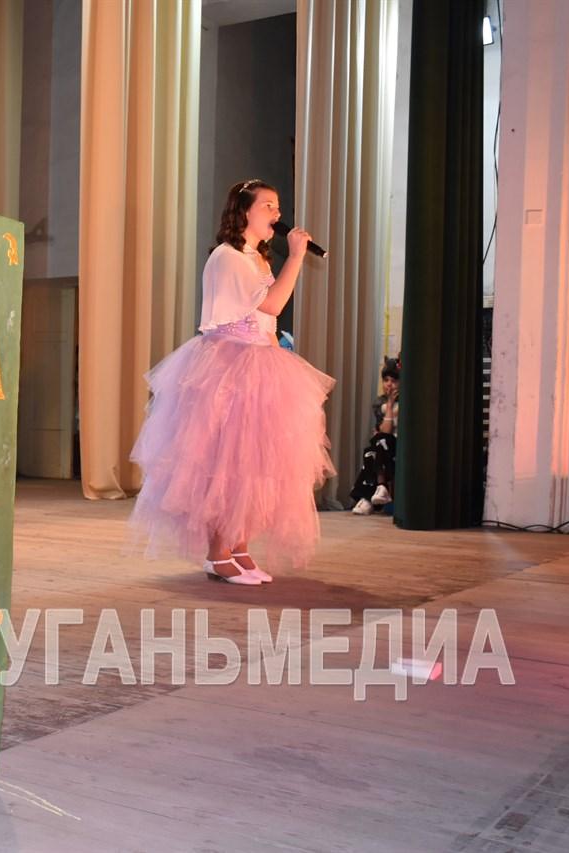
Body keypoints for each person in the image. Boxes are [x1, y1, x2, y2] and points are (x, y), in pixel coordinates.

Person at [129, 179, 336, 585]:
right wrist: (296, 256)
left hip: (260, 362)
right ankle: (218, 554)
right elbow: (272, 304)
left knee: (254, 465)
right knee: (227, 464)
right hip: (229, 366)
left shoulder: (256, 259)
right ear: (244, 211)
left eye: (278, 206)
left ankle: (239, 548)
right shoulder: (227, 257)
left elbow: (266, 319)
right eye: (268, 206)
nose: (277, 213)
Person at [349, 357, 400, 515]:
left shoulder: (408, 402)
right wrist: (389, 405)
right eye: (386, 380)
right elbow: (385, 431)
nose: (389, 384)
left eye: (394, 381)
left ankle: (367, 498)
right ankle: (380, 488)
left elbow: (385, 432)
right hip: (385, 446)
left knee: (376, 444)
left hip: (400, 447)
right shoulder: (380, 403)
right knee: (372, 450)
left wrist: (392, 406)